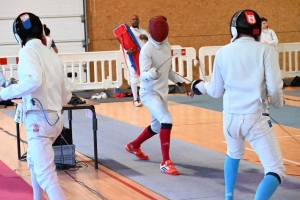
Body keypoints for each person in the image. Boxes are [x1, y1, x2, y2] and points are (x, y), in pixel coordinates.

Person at [192, 10, 285, 200]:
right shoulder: (266, 50)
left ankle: (229, 197)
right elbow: (274, 88)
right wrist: (278, 104)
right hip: (255, 119)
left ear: (233, 30)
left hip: (230, 120)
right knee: (275, 169)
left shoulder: (222, 52)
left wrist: (200, 86)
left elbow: (216, 91)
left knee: (233, 154)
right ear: (257, 30)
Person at [0, 12, 71, 200]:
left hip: (39, 121)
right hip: (56, 119)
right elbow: (66, 94)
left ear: (18, 35)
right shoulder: (51, 53)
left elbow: (34, 81)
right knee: (33, 160)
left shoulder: (27, 52)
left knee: (48, 178)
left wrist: (4, 93)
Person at [125, 16, 193, 175]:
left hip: (162, 92)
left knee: (156, 127)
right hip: (149, 93)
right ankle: (165, 162)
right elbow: (143, 76)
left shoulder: (166, 45)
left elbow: (168, 71)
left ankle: (133, 146)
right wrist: (151, 74)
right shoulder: (146, 50)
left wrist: (182, 84)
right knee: (166, 119)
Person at [121, 14, 148, 107]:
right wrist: (127, 51)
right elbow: (122, 46)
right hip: (132, 59)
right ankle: (135, 99)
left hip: (144, 58)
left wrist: (146, 38)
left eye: (136, 19)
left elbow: (151, 44)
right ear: (130, 21)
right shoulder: (127, 33)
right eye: (133, 19)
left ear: (139, 20)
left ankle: (145, 97)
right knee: (134, 79)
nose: (135, 20)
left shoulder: (144, 31)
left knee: (145, 78)